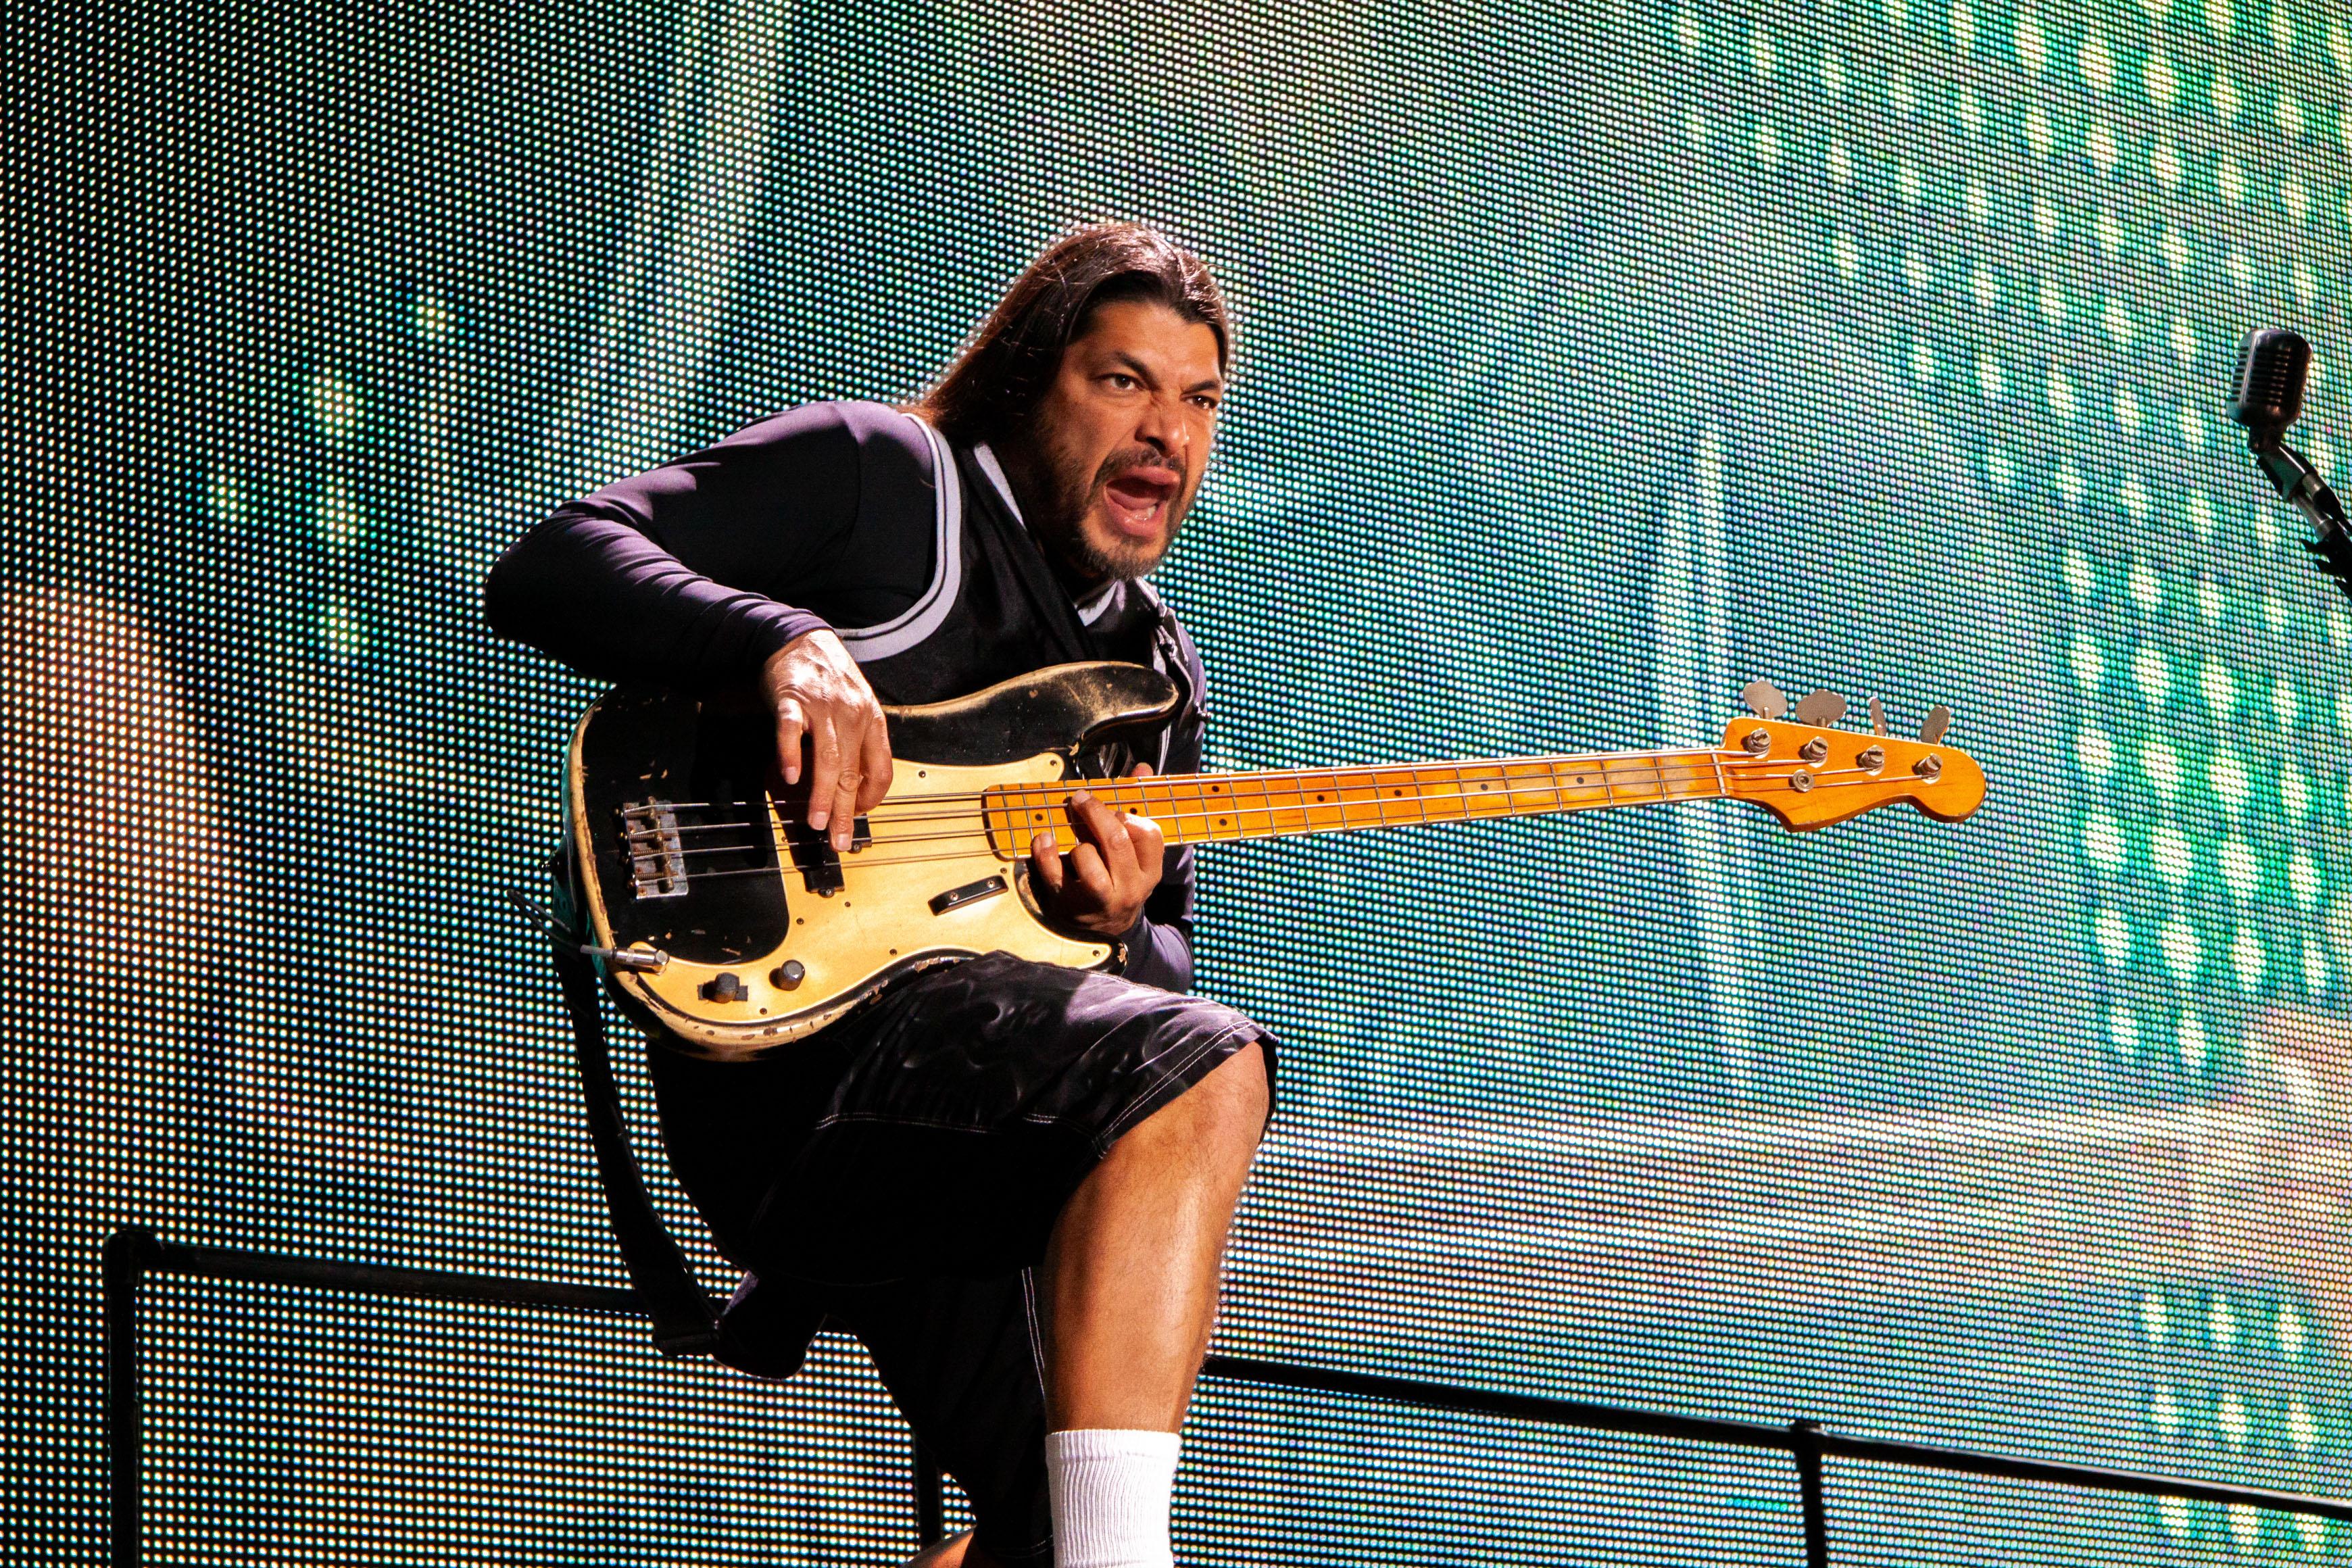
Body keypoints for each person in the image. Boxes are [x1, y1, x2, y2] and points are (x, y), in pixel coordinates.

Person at [486, 222, 1273, 1568]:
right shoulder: (884, 478)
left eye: (1198, 400)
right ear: (1030, 382)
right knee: (1210, 1069)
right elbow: (555, 561)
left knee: (1044, 1523)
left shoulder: (1155, 681)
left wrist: (1116, 928)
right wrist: (779, 643)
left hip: (963, 1135)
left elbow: (1152, 975)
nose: (1168, 432)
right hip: (786, 1077)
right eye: (1123, 381)